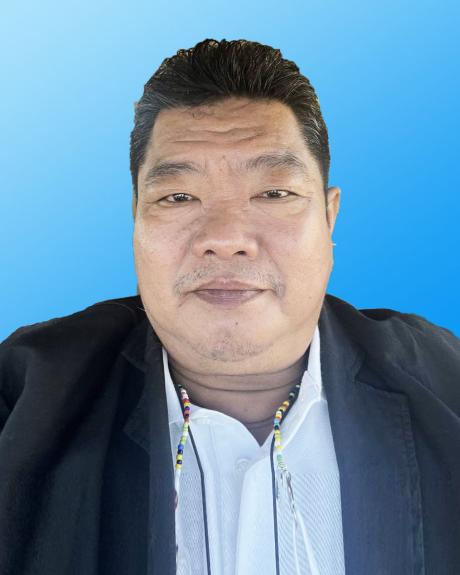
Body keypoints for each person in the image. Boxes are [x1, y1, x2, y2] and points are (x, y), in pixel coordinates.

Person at [0, 38, 459, 575]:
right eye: (178, 197)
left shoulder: (445, 387)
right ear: (136, 219)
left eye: (274, 193)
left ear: (329, 218)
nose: (224, 238)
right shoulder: (23, 399)